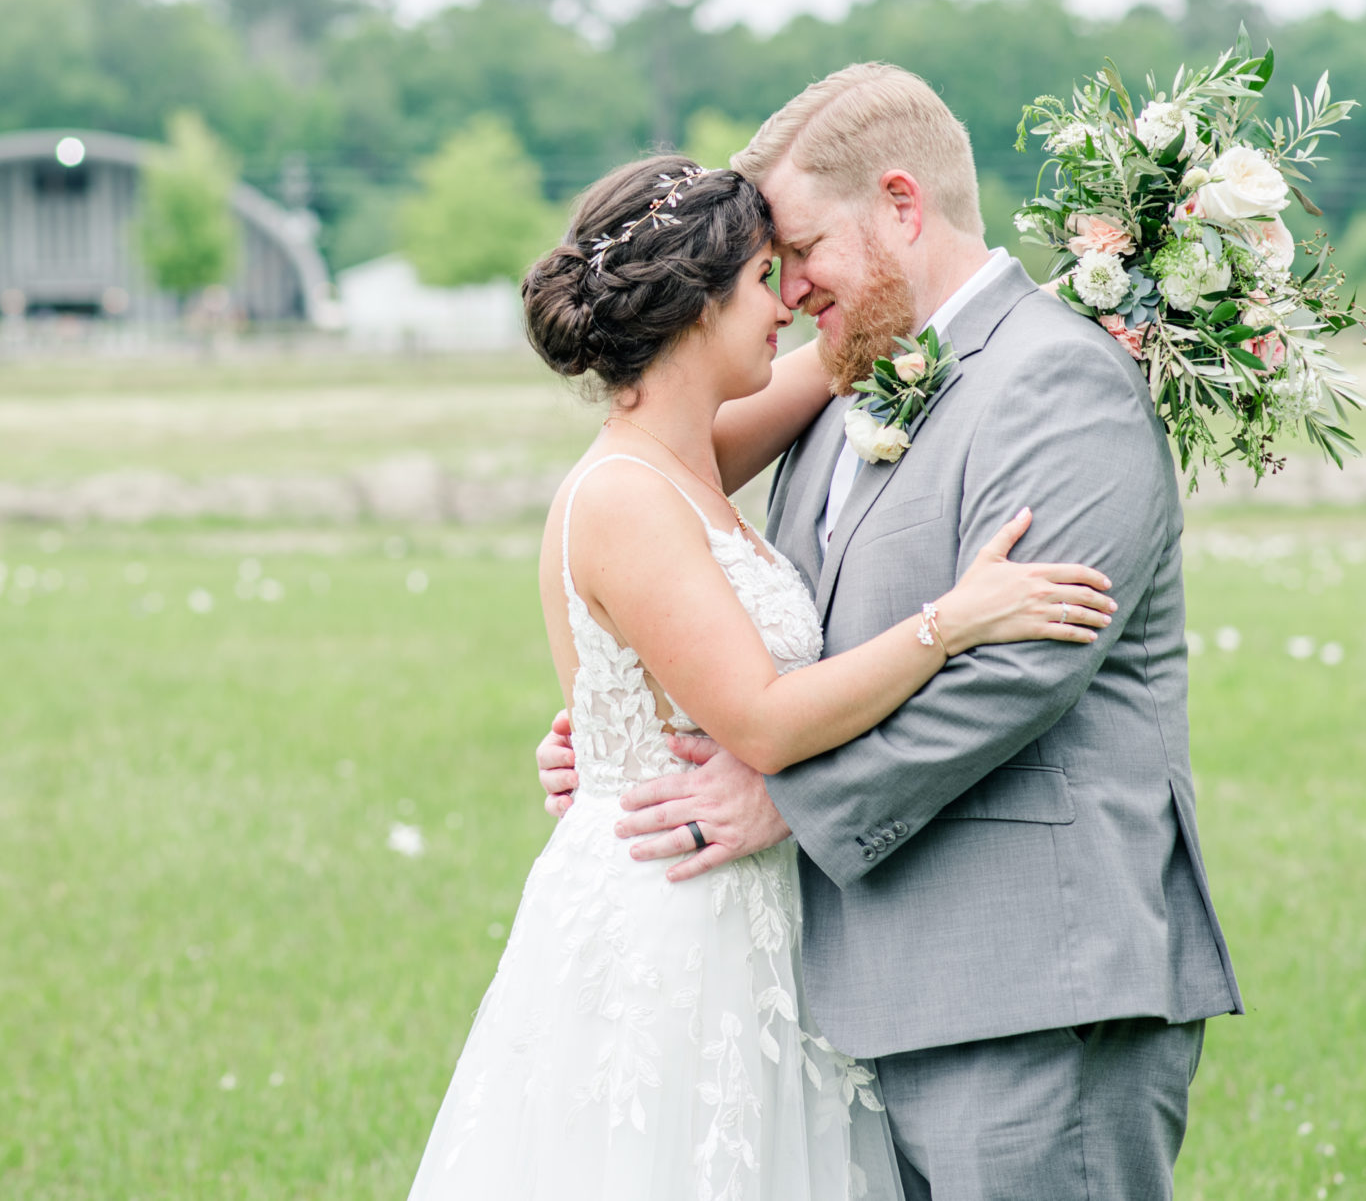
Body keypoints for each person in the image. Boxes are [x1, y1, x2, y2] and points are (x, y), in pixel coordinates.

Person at [536, 64, 1241, 1199]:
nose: (789, 288)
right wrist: (629, 732)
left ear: (902, 206)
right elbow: (655, 516)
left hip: (1030, 983)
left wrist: (783, 794)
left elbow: (1019, 669)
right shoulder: (846, 388)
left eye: (801, 249)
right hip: (862, 991)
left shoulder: (1058, 378)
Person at [405, 154, 1119, 1200]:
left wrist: (1094, 289)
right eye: (760, 280)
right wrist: (951, 622)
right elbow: (768, 723)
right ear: (694, 307)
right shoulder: (624, 496)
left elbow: (847, 359)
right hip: (676, 923)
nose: (787, 301)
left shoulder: (688, 451)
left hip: (745, 905)